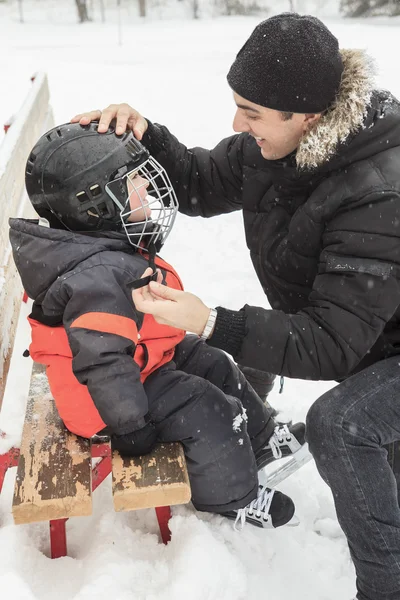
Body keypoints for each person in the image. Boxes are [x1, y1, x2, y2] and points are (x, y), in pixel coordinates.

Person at [71, 11, 400, 600]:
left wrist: (212, 322)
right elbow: (200, 180)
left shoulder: (376, 190)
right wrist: (144, 133)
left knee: (344, 424)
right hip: (371, 332)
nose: (237, 122)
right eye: (237, 104)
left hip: (377, 342)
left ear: (310, 117)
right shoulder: (270, 147)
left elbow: (327, 342)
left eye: (251, 112)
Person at [9, 121, 307, 531]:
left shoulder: (101, 248)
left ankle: (262, 439)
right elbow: (103, 361)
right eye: (135, 185)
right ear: (96, 205)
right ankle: (232, 498)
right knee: (204, 405)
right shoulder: (97, 277)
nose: (148, 191)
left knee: (213, 361)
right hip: (103, 402)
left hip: (138, 362)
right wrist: (129, 425)